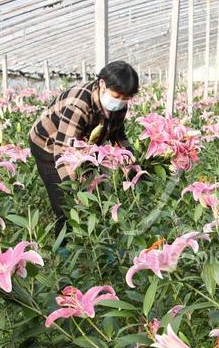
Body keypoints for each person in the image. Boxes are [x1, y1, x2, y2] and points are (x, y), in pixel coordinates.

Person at [28, 60, 139, 242]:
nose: (120, 102)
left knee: (96, 196)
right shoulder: (79, 105)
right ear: (102, 83)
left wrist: (133, 162)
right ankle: (63, 251)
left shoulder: (119, 105)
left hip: (82, 146)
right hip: (48, 145)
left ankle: (96, 244)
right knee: (65, 203)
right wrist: (75, 190)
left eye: (126, 98)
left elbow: (118, 135)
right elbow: (63, 150)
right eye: (117, 95)